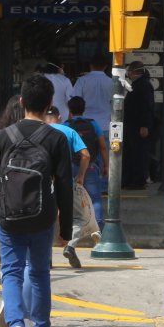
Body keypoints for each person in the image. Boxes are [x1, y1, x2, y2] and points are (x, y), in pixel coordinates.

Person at [0, 75, 73, 327]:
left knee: (11, 271)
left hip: (9, 217)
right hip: (42, 216)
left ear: (21, 101)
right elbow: (64, 186)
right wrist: (67, 228)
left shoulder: (3, 136)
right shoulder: (57, 138)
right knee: (38, 273)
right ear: (50, 104)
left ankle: (15, 326)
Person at [44, 105, 90, 268]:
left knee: (46, 218)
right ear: (59, 117)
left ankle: (46, 257)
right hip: (64, 181)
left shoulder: (39, 130)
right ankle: (70, 245)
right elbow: (85, 155)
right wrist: (81, 176)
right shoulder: (69, 131)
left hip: (42, 181)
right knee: (79, 217)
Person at [65, 96, 109, 229]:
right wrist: (106, 164)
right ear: (84, 110)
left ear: (70, 110)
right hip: (90, 165)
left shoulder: (66, 125)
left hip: (71, 166)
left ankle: (71, 228)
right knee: (95, 197)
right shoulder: (93, 123)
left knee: (69, 198)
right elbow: (102, 146)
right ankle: (98, 227)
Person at [122, 61, 153, 189]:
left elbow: (146, 106)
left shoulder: (143, 85)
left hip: (137, 126)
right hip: (133, 126)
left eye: (129, 71)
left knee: (137, 154)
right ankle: (131, 180)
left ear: (134, 71)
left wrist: (144, 125)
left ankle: (138, 181)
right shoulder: (139, 84)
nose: (128, 73)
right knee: (132, 153)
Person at [70, 58, 114, 134]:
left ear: (91, 65)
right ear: (105, 66)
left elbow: (75, 100)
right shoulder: (111, 82)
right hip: (105, 124)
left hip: (85, 124)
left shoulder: (82, 80)